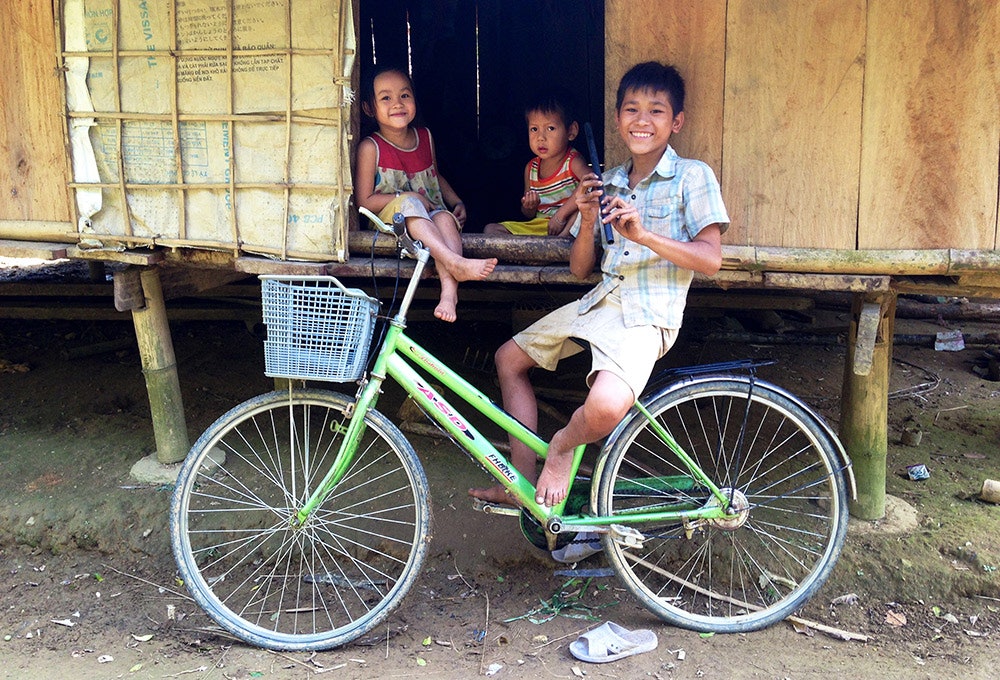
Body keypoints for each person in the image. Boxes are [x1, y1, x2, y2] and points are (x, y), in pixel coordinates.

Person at [470, 61, 729, 508]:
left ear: (676, 122)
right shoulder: (608, 182)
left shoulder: (692, 175)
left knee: (607, 406)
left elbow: (711, 260)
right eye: (632, 109)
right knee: (508, 359)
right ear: (617, 118)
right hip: (600, 302)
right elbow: (579, 270)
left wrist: (644, 235)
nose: (642, 120)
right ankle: (520, 484)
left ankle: (562, 446)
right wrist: (587, 218)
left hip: (647, 315)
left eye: (656, 111)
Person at [355, 66, 497, 322]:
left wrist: (456, 201)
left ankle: (449, 293)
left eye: (404, 95)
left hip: (428, 217)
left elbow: (434, 175)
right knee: (410, 203)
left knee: (444, 218)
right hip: (390, 224)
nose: (397, 103)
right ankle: (454, 262)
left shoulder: (424, 136)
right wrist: (407, 198)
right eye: (386, 98)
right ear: (368, 108)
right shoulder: (370, 147)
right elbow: (364, 201)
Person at [484, 95, 589, 237]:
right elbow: (528, 214)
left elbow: (591, 182)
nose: (540, 137)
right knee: (491, 230)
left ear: (571, 131)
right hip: (541, 226)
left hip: (568, 224)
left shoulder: (573, 161)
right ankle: (546, 247)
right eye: (534, 129)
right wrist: (530, 206)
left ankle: (561, 242)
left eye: (550, 128)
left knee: (583, 209)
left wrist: (561, 215)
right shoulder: (531, 168)